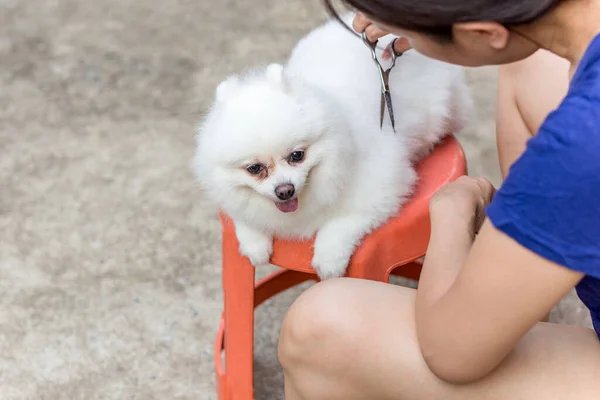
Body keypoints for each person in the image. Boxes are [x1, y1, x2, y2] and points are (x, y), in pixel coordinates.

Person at [277, 0, 600, 398]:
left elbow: (450, 354)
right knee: (532, 63)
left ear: (484, 33)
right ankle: (516, 295)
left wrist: (453, 212)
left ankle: (495, 304)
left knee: (318, 330)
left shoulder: (581, 144)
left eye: (411, 32)